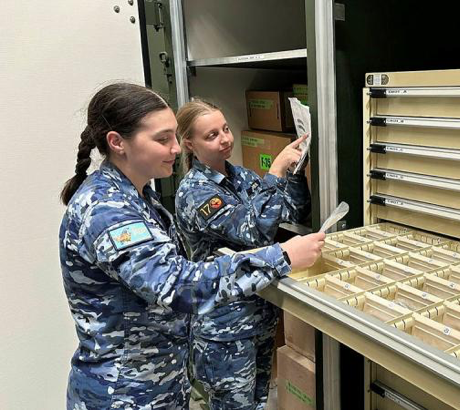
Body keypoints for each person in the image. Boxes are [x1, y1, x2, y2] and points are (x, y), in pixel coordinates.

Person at [59, 83, 325, 409]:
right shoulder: (108, 209)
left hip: (157, 385)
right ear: (117, 143)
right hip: (125, 394)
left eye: (174, 136)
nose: (175, 149)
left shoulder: (140, 199)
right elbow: (179, 285)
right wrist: (281, 256)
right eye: (162, 139)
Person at [174, 99, 311, 410]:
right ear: (189, 145)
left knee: (258, 402)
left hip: (259, 317)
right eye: (211, 135)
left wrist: (295, 173)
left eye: (225, 129)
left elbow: (293, 210)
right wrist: (275, 170)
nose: (225, 138)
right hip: (224, 329)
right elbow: (254, 231)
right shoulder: (195, 192)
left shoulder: (241, 178)